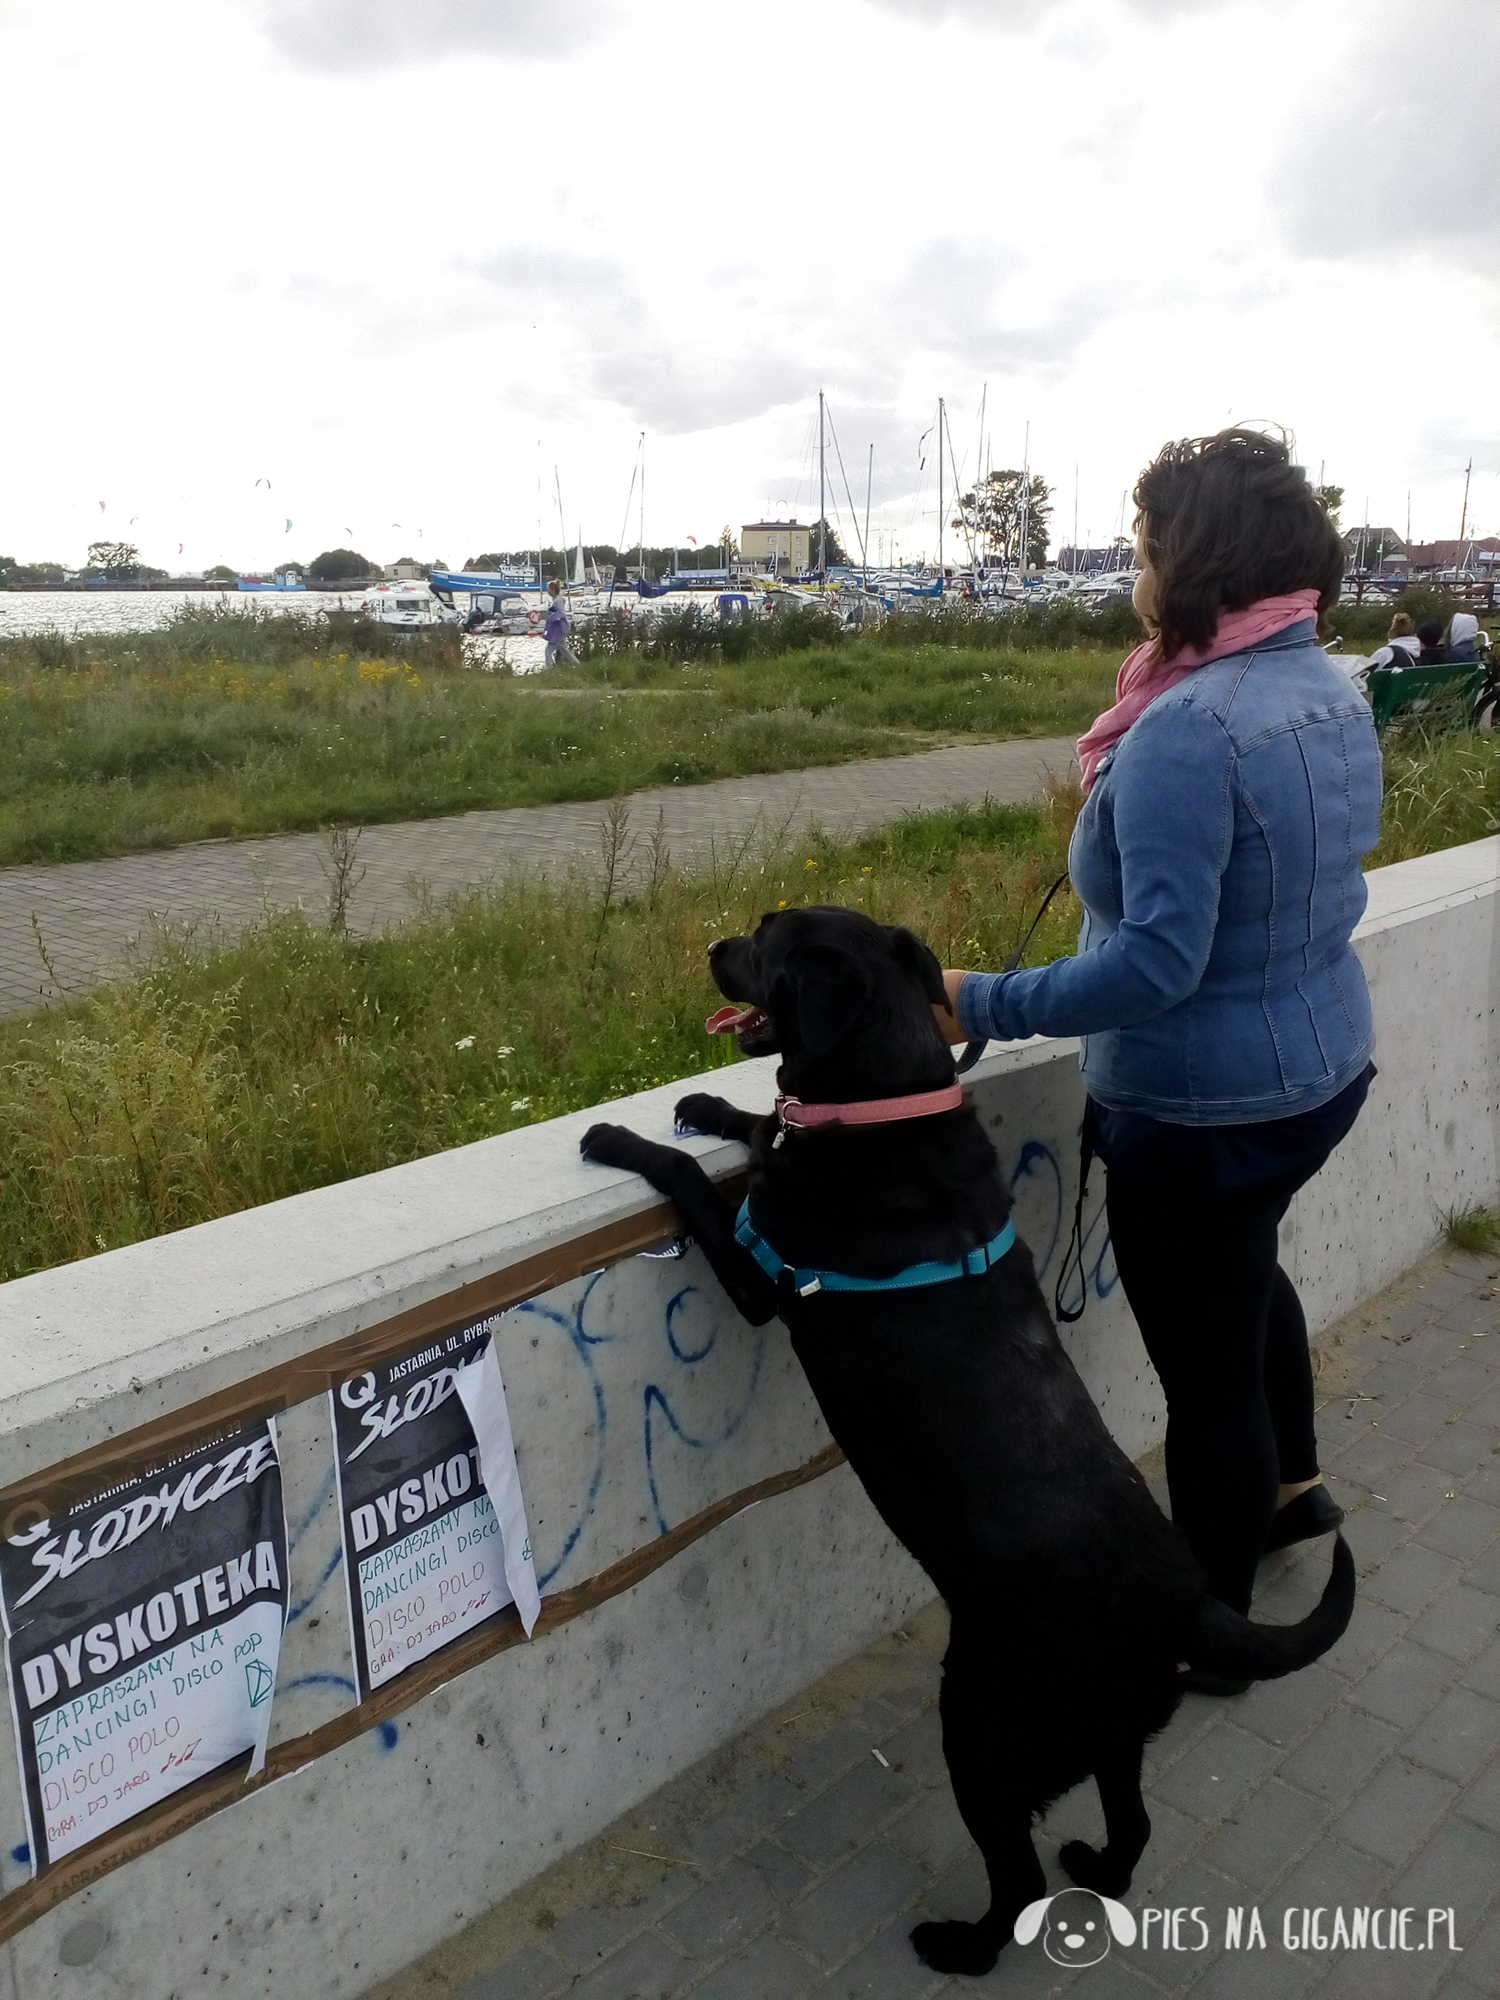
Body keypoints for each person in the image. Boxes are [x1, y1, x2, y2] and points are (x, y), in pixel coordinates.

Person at [937, 430, 1383, 1670]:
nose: (1137, 571)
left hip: (1209, 1109)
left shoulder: (1191, 726)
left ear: (1193, 560)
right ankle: (1298, 1490)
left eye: (1144, 547)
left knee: (1205, 1381)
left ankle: (1215, 1626)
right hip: (1318, 1073)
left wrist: (982, 997)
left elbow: (1154, 967)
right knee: (1250, 1281)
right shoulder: (1327, 686)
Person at [542, 578, 578, 668]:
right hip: (560, 629)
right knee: (564, 650)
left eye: (548, 589)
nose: (547, 591)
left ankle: (549, 671)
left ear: (553, 590)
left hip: (558, 630)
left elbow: (562, 613)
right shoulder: (556, 600)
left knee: (548, 651)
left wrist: (552, 617)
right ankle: (578, 666)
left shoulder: (558, 601)